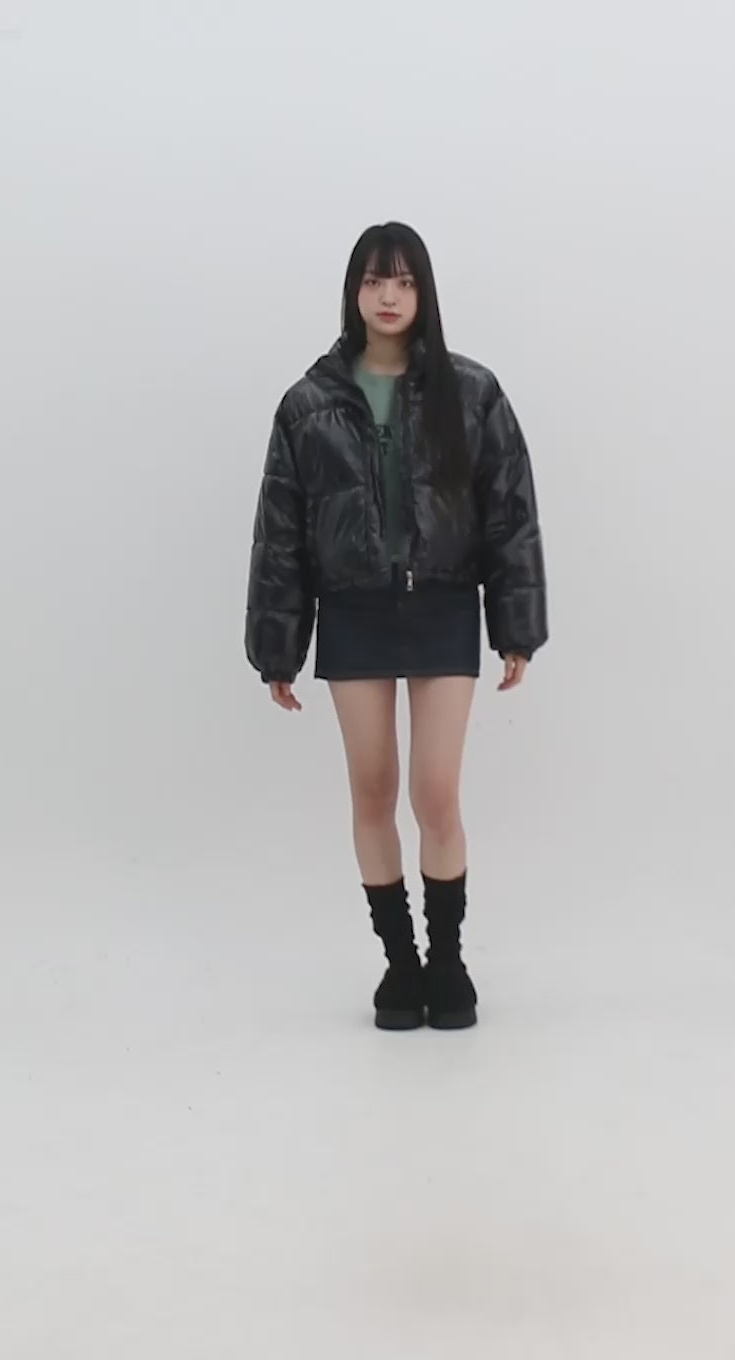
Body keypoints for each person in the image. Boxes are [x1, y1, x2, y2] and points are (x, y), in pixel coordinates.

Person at [245, 221, 548, 1032]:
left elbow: (510, 513)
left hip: (443, 604)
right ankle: (400, 964)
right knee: (373, 790)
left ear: (424, 293)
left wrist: (515, 626)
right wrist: (277, 647)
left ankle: (447, 962)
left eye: (405, 281)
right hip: (353, 611)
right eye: (375, 280)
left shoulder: (471, 392)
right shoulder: (308, 404)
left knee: (436, 792)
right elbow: (281, 531)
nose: (388, 296)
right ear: (354, 291)